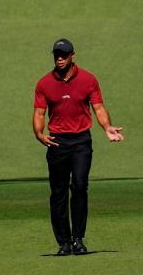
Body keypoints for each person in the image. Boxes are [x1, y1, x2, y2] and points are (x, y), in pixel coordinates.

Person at [33, 38, 124, 256]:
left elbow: (98, 107)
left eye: (64, 54)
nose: (60, 58)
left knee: (80, 186)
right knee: (58, 192)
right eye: (57, 55)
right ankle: (63, 242)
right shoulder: (44, 83)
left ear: (73, 55)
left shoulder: (88, 79)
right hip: (57, 142)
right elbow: (39, 113)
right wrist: (39, 134)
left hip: (81, 141)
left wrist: (107, 127)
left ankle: (78, 239)